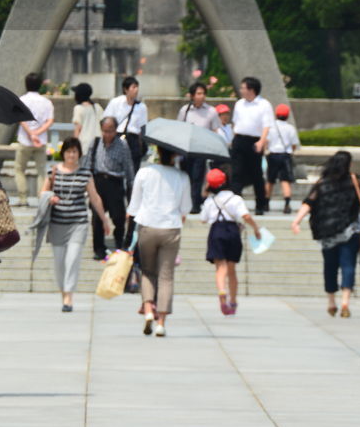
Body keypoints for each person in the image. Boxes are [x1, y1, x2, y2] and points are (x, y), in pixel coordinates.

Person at [290, 150, 360, 318]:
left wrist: (296, 221)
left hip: (326, 232)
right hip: (350, 231)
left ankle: (331, 302)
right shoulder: (354, 180)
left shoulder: (322, 183)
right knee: (348, 265)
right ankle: (345, 302)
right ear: (348, 164)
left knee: (330, 267)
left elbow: (309, 202)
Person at [126, 143, 191, 337]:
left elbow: (133, 206)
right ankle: (161, 322)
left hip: (147, 225)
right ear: (175, 156)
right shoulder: (182, 177)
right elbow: (186, 208)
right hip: (170, 227)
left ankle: (147, 309)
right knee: (166, 276)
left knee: (147, 271)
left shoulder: (145, 173)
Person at [41, 137, 112, 311]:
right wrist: (50, 197)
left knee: (72, 259)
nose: (71, 155)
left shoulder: (85, 174)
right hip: (57, 223)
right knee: (59, 262)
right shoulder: (53, 172)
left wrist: (104, 219)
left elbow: (95, 198)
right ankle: (63, 292)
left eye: (74, 151)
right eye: (68, 151)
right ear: (63, 153)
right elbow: (42, 192)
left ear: (79, 154)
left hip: (78, 223)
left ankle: (69, 297)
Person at [200, 167, 260, 315]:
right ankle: (233, 301)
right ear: (226, 180)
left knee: (220, 267)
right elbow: (245, 216)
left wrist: (206, 193)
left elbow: (203, 219)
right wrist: (256, 228)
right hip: (232, 231)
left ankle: (222, 292)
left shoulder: (210, 200)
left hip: (216, 231)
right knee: (232, 269)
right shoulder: (235, 199)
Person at [86, 116, 134, 258]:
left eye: (111, 131)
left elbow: (129, 168)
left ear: (116, 130)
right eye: (105, 131)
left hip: (115, 182)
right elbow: (87, 165)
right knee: (97, 218)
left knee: (118, 217)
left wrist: (132, 188)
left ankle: (120, 243)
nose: (108, 134)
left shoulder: (122, 145)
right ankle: (98, 249)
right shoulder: (95, 143)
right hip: (98, 182)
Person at [176, 82, 223, 214]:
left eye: (203, 93)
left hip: (201, 148)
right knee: (186, 176)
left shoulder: (211, 111)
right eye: (198, 93)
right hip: (186, 148)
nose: (201, 96)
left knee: (197, 177)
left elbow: (215, 130)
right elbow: (179, 128)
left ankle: (195, 204)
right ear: (192, 96)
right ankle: (184, 203)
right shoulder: (184, 110)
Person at [230, 76, 273, 214]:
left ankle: (260, 205)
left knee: (256, 174)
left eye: (243, 87)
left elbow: (267, 125)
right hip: (239, 140)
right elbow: (235, 122)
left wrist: (261, 141)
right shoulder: (239, 104)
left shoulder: (264, 104)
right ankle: (235, 203)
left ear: (251, 89)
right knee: (236, 173)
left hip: (254, 141)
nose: (241, 90)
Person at [13, 72, 54, 207]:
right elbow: (50, 121)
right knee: (41, 171)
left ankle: (23, 198)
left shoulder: (22, 100)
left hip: (25, 139)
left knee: (19, 169)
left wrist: (31, 133)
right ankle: (41, 196)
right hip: (40, 141)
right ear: (40, 85)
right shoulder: (47, 102)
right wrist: (37, 133)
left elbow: (20, 118)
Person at [105, 75, 148, 171]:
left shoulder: (141, 107)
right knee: (115, 165)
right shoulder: (116, 102)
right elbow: (107, 119)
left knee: (134, 167)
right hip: (118, 136)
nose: (136, 90)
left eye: (137, 87)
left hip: (133, 138)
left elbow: (142, 127)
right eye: (133, 87)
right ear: (126, 89)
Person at [265, 103, 300, 214]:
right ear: (287, 115)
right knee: (285, 181)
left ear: (276, 114)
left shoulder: (271, 127)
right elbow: (294, 144)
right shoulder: (290, 128)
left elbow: (267, 141)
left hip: (273, 155)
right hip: (285, 155)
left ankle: (265, 203)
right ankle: (287, 204)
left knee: (270, 181)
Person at [71, 82, 104, 150]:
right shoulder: (98, 107)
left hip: (84, 144)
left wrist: (74, 146)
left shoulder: (78, 108)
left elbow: (78, 129)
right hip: (98, 143)